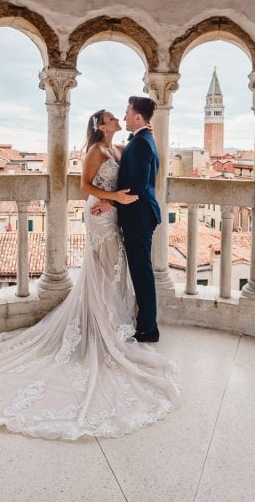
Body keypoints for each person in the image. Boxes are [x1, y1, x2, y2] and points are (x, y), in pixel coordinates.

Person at [0, 109, 180, 440]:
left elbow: (137, 174)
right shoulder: (95, 151)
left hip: (113, 213)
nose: (117, 121)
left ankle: (112, 322)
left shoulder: (121, 149)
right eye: (112, 118)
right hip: (99, 214)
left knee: (115, 268)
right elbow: (85, 185)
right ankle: (100, 327)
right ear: (99, 124)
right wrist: (111, 200)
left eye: (120, 117)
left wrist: (117, 200)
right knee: (103, 266)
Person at [92, 95, 161, 342]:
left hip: (139, 217)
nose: (123, 117)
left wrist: (109, 201)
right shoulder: (141, 139)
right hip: (138, 215)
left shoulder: (142, 142)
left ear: (138, 117)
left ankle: (148, 328)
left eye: (127, 112)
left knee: (142, 272)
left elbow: (139, 185)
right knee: (140, 270)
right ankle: (145, 322)